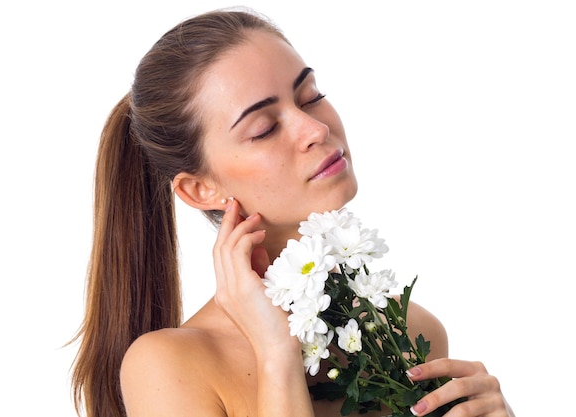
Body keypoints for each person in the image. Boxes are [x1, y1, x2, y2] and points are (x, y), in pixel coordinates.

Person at [70, 8, 515, 417]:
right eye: (263, 129)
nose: (316, 129)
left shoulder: (410, 332)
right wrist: (276, 352)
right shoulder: (171, 366)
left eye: (310, 95)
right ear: (200, 188)